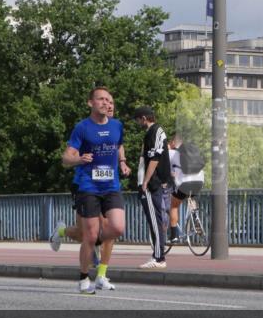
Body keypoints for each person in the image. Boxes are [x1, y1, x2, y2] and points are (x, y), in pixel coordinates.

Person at [50, 99, 126, 289]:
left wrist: (123, 162)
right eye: (105, 102)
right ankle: (61, 231)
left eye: (112, 103)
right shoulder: (86, 128)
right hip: (85, 185)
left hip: (108, 186)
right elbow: (67, 156)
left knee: (109, 230)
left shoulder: (115, 128)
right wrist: (79, 159)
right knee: (87, 233)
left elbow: (118, 146)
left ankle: (101, 275)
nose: (109, 106)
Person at [133, 106, 173, 269]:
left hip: (151, 184)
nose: (137, 123)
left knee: (155, 220)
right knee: (154, 220)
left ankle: (159, 257)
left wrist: (145, 181)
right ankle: (157, 256)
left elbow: (155, 158)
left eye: (138, 120)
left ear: (143, 118)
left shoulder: (155, 132)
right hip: (150, 182)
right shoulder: (153, 132)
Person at [168, 133, 205, 243]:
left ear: (173, 142)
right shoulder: (193, 151)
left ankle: (174, 236)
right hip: (199, 181)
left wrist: (167, 147)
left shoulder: (172, 153)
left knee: (173, 205)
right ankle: (195, 217)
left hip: (184, 183)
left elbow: (163, 164)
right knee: (191, 197)